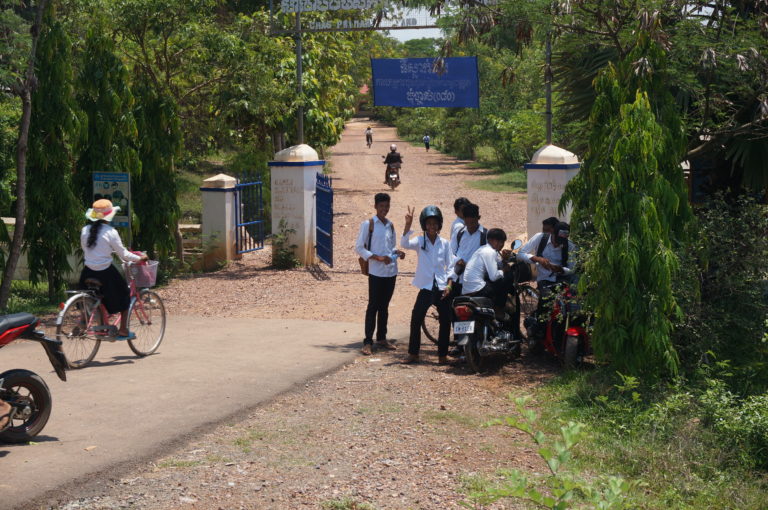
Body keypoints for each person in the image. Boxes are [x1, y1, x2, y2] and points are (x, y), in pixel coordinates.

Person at [80, 199, 148, 340]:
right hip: (105, 273)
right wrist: (141, 258)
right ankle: (123, 330)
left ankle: (85, 319)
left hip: (87, 271)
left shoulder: (84, 230)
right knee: (125, 295)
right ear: (109, 216)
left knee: (95, 297)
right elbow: (123, 254)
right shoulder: (111, 232)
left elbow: (87, 250)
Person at [400, 205, 455, 364]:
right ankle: (413, 353)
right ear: (424, 225)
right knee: (416, 318)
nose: (432, 227)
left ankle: (442, 356)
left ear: (439, 225)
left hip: (442, 287)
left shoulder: (445, 243)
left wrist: (449, 285)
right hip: (425, 287)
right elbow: (404, 244)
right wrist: (408, 225)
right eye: (429, 223)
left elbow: (450, 266)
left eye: (435, 223)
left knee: (445, 320)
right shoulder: (419, 241)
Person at [355, 193, 405, 355]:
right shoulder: (368, 224)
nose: (384, 209)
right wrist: (377, 257)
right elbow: (359, 247)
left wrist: (397, 253)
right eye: (381, 206)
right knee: (373, 305)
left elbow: (391, 247)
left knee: (384, 306)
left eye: (387, 206)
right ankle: (368, 341)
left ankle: (382, 338)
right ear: (375, 206)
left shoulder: (390, 225)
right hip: (376, 271)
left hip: (390, 271)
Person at [459, 228, 515, 317]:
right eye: (498, 241)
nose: (501, 244)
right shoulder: (490, 252)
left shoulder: (483, 249)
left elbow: (499, 263)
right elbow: (494, 276)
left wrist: (503, 259)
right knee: (507, 277)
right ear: (489, 240)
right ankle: (499, 309)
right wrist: (504, 270)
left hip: (466, 290)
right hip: (479, 290)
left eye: (502, 242)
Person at [517, 221, 575, 294]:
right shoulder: (540, 238)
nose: (558, 244)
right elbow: (520, 254)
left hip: (561, 279)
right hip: (544, 279)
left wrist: (561, 269)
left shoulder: (570, 246)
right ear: (552, 233)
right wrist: (537, 259)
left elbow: (572, 269)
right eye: (557, 240)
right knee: (546, 298)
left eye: (562, 241)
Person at [447, 203, 486, 297]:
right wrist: (458, 260)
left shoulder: (485, 235)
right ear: (463, 219)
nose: (470, 226)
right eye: (467, 223)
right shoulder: (459, 233)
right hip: (457, 277)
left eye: (473, 223)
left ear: (478, 218)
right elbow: (450, 252)